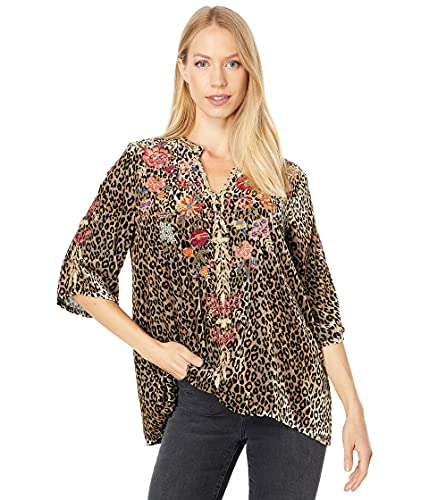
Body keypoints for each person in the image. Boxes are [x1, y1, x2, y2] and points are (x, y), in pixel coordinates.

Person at [56, 5, 372, 499]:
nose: (218, 79)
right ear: (183, 70)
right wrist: (155, 350)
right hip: (200, 393)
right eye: (203, 63)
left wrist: (354, 410)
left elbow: (320, 306)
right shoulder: (145, 166)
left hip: (293, 395)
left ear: (250, 72)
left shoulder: (283, 179)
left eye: (232, 63)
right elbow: (81, 275)